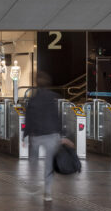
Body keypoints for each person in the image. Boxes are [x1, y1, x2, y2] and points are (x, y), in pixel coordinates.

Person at [24, 72, 70, 203]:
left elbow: (29, 119)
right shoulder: (53, 98)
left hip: (36, 135)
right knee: (48, 164)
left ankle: (33, 184)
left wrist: (25, 136)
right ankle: (48, 193)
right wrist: (62, 135)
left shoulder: (32, 99)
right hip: (51, 135)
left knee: (33, 160)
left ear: (36, 84)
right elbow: (57, 117)